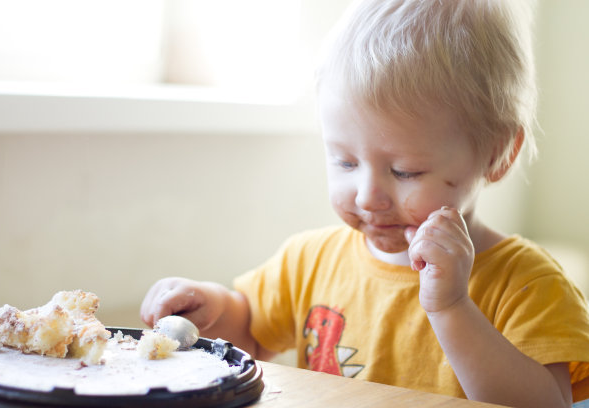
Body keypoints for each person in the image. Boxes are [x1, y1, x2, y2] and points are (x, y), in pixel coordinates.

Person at [141, 0, 589, 406]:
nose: (367, 196)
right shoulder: (309, 261)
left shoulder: (530, 285)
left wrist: (452, 308)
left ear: (498, 155)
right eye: (345, 161)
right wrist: (208, 308)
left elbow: (546, 404)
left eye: (404, 171)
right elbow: (250, 335)